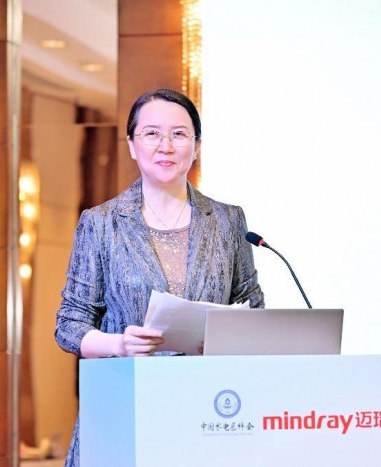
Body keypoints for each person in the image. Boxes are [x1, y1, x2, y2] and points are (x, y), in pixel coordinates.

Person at [54, 88, 264, 466]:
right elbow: (69, 325)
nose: (165, 146)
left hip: (208, 410)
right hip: (125, 407)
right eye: (152, 133)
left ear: (196, 147)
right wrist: (120, 344)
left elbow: (253, 308)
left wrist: (226, 338)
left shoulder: (228, 221)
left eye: (179, 134)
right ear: (132, 145)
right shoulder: (100, 223)